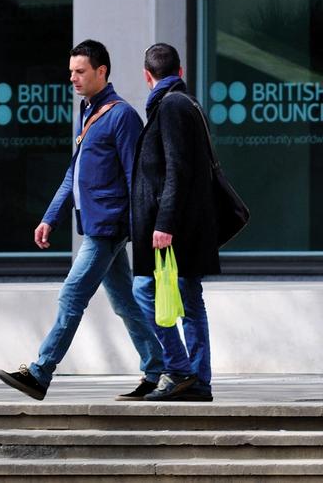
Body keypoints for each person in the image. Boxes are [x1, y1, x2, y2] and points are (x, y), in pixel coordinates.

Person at [0, 40, 164, 402]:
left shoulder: (121, 116)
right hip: (94, 225)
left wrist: (142, 229)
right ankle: (159, 367)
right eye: (71, 71)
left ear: (102, 72)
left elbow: (139, 177)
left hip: (108, 229)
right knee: (124, 303)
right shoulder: (87, 112)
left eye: (80, 71)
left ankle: (40, 372)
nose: (72, 77)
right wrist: (50, 217)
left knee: (72, 294)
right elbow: (73, 173)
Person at [129, 43, 219, 402]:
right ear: (180, 72)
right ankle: (195, 379)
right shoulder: (184, 103)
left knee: (146, 290)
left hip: (176, 228)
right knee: (188, 298)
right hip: (188, 223)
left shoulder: (171, 106)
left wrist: (163, 223)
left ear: (147, 75)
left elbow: (177, 169)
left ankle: (182, 370)